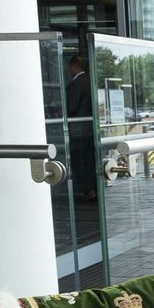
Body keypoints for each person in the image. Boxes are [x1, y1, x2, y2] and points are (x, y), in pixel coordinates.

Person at [64, 55, 96, 200]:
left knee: (78, 161)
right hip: (90, 129)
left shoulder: (75, 84)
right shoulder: (91, 81)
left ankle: (87, 190)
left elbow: (71, 107)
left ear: (74, 66)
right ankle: (93, 187)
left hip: (77, 130)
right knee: (89, 160)